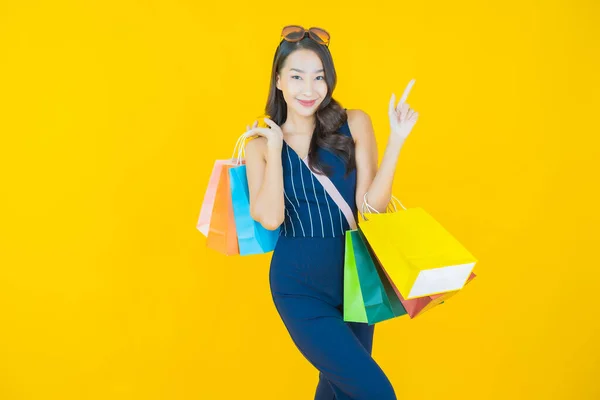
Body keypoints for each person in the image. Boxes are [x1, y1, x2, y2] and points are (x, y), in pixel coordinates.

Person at [243, 25, 418, 400]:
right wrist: (275, 151)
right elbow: (270, 218)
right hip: (299, 288)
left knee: (340, 392)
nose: (310, 89)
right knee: (376, 393)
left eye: (319, 77)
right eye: (297, 77)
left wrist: (397, 140)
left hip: (356, 280)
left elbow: (371, 208)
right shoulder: (259, 146)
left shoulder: (354, 123)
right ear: (278, 80)